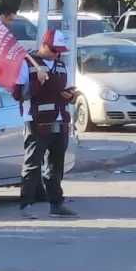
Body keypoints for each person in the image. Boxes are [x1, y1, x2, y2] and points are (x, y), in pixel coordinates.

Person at [12, 29, 79, 220]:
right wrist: (36, 84)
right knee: (32, 165)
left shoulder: (61, 65)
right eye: (53, 49)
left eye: (59, 50)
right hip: (37, 121)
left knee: (55, 166)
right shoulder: (28, 65)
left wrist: (71, 96)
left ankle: (56, 204)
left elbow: (70, 93)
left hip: (60, 121)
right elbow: (18, 94)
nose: (56, 54)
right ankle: (26, 205)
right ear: (44, 45)